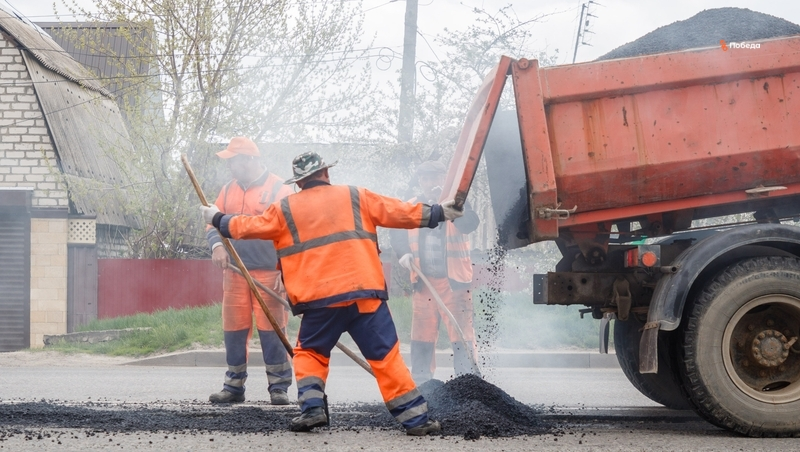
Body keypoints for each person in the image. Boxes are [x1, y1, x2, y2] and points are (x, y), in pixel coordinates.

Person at [201, 151, 463, 435]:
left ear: (298, 182)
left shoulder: (285, 208)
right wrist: (439, 212)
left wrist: (217, 218)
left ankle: (312, 408)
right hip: (365, 296)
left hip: (319, 301)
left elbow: (248, 227)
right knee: (386, 357)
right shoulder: (356, 196)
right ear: (326, 173)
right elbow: (400, 212)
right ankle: (416, 420)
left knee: (309, 353)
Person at [205, 137, 294, 406]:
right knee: (234, 330)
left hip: (269, 273)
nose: (230, 166)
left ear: (249, 160)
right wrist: (217, 247)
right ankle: (233, 386)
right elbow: (212, 223)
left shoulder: (279, 189)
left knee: (272, 330)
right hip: (234, 272)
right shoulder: (227, 190)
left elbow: (290, 233)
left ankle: (278, 387)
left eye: (233, 161)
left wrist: (286, 272)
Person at [390, 160, 480, 384]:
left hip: (454, 282)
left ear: (444, 179)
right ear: (420, 181)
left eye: (435, 177)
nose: (430, 182)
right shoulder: (412, 205)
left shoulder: (457, 203)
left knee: (461, 332)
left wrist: (454, 207)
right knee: (422, 332)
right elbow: (397, 230)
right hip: (424, 282)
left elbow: (470, 224)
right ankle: (422, 380)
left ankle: (468, 380)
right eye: (426, 178)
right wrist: (403, 252)